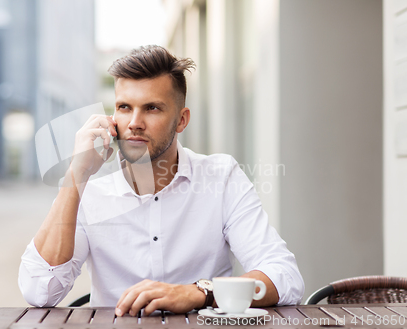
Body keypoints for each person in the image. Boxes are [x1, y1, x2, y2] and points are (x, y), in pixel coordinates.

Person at [19, 45, 304, 316]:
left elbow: (285, 276)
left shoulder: (221, 176)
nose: (134, 123)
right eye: (124, 107)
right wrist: (75, 176)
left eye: (152, 108)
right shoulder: (89, 190)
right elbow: (40, 291)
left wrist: (198, 293)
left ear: (181, 120)